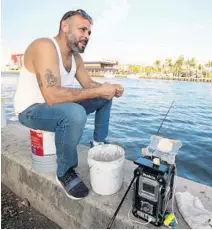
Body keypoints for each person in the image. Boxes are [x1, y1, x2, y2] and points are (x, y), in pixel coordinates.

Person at [14, 9, 124, 200]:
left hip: (56, 107)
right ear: (65, 26)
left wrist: (109, 88)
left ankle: (98, 144)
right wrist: (98, 90)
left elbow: (89, 86)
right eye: (82, 29)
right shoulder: (44, 46)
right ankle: (64, 171)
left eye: (89, 32)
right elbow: (52, 96)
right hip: (30, 110)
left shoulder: (76, 58)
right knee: (75, 113)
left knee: (104, 96)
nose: (87, 36)